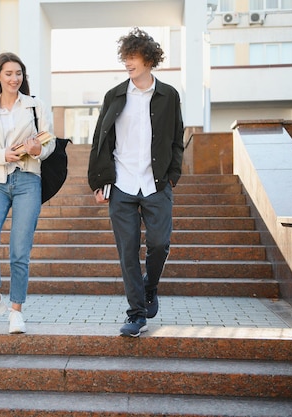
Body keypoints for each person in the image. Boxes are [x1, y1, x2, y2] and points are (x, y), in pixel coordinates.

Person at [87, 28, 184, 337]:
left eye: (133, 56)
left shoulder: (168, 95)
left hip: (156, 184)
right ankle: (136, 313)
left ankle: (150, 287)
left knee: (159, 243)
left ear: (149, 58)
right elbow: (100, 140)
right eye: (125, 57)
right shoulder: (114, 94)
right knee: (127, 251)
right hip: (122, 184)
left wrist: (172, 176)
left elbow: (177, 139)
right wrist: (99, 182)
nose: (128, 62)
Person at [0, 52, 56, 334]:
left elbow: (49, 142)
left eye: (18, 73)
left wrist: (37, 150)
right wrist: (2, 154)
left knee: (20, 251)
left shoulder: (35, 106)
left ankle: (16, 310)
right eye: (8, 73)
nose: (14, 78)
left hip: (28, 181)